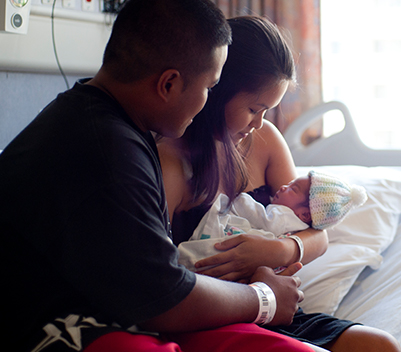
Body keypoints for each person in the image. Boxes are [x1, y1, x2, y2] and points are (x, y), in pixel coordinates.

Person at [0, 1, 318, 352]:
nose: (207, 102)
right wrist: (264, 298)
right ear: (168, 84)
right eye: (209, 88)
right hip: (50, 325)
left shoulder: (92, 120)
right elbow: (166, 298)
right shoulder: (108, 152)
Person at [157, 15, 401, 352]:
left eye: (268, 111)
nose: (259, 123)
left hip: (278, 309)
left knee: (381, 345)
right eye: (254, 109)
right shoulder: (173, 158)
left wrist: (281, 249)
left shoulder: (265, 142)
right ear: (216, 91)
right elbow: (158, 275)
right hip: (213, 313)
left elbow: (318, 232)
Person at [178, 171, 368, 273]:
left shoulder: (285, 218)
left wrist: (239, 199)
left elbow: (263, 219)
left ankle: (182, 261)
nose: (284, 186)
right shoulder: (296, 220)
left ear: (304, 215)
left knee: (206, 252)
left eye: (293, 189)